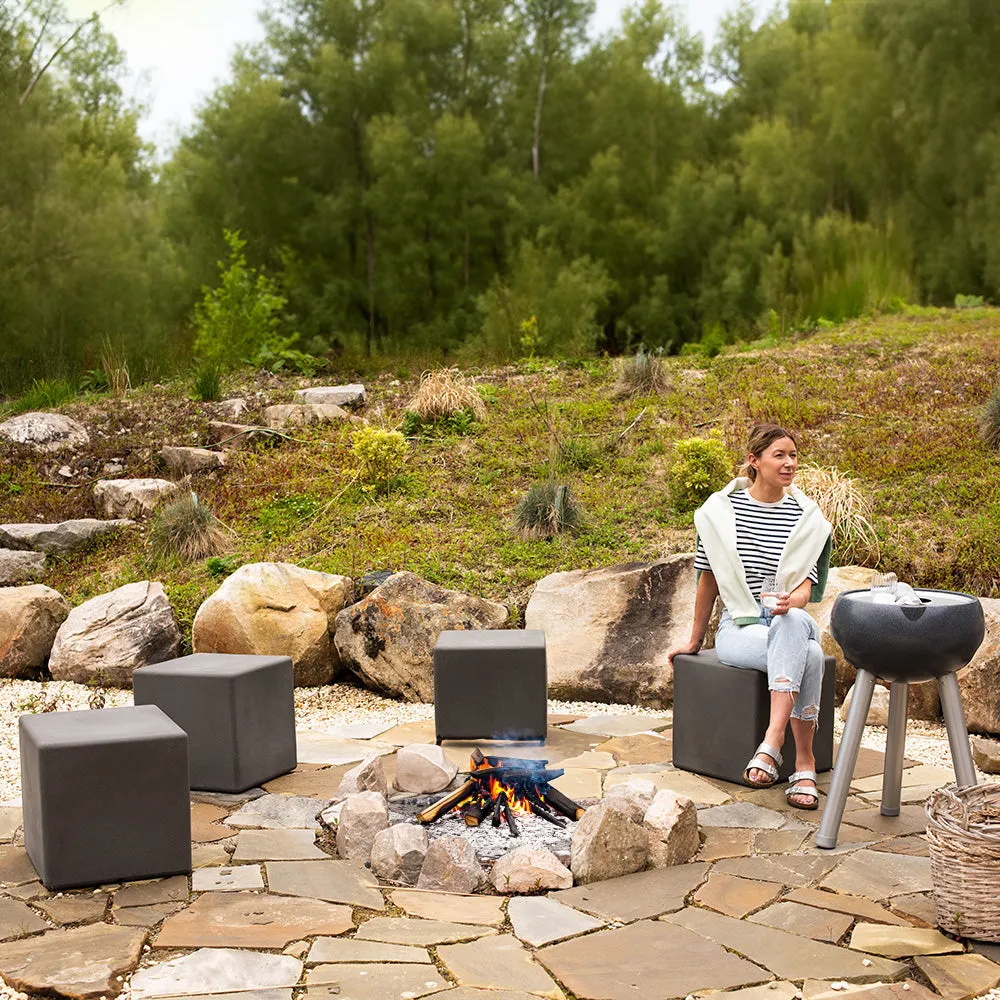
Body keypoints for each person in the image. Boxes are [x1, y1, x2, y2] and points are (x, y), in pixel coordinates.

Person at [668, 424, 833, 809]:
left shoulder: (806, 516)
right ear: (753, 461)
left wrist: (790, 603)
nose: (790, 463)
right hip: (740, 626)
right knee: (808, 655)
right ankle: (803, 764)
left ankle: (772, 743)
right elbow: (708, 580)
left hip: (785, 617)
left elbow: (806, 587)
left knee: (791, 623)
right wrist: (694, 639)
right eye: (780, 455)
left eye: (793, 455)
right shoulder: (720, 514)